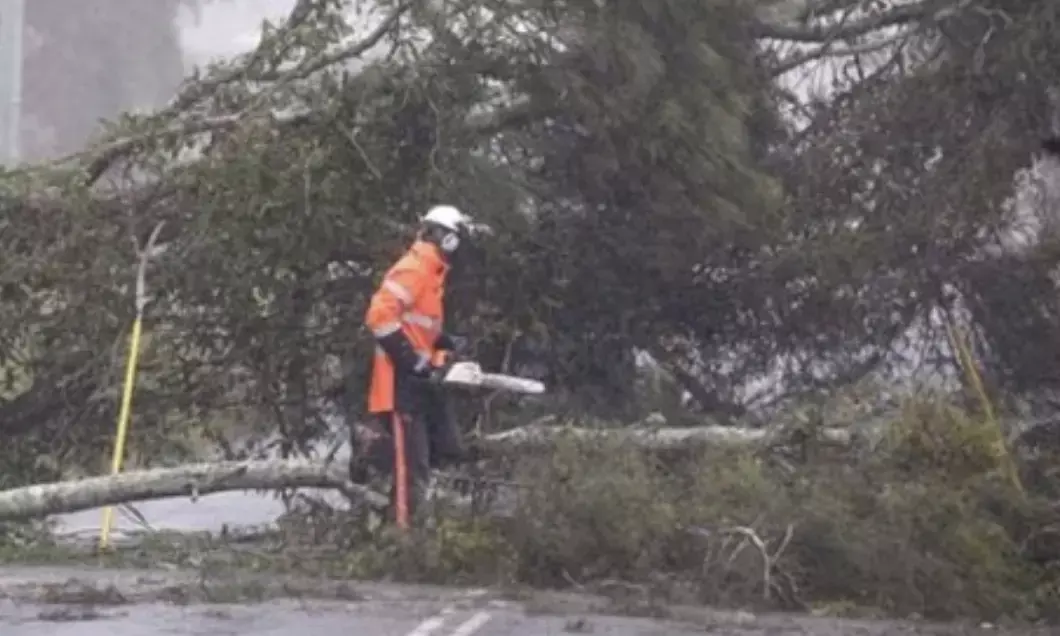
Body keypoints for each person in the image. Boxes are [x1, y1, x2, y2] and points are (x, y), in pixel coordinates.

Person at [357, 204, 477, 526]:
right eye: (454, 236)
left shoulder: (433, 274)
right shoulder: (414, 268)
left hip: (424, 383)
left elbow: (419, 328)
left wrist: (445, 344)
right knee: (412, 466)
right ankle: (403, 539)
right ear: (442, 235)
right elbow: (379, 317)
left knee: (448, 448)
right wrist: (411, 361)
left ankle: (377, 458)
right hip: (401, 384)